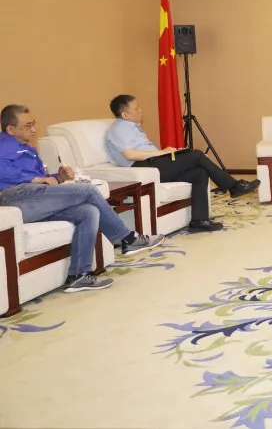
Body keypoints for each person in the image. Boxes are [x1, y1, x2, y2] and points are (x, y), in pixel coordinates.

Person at [0, 104, 165, 293]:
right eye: (28, 126)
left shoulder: (27, 149)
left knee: (88, 212)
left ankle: (78, 275)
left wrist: (58, 176)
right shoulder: (3, 144)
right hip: (16, 198)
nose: (33, 129)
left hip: (36, 199)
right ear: (10, 129)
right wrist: (37, 179)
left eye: (34, 124)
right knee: (88, 191)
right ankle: (127, 239)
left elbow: (41, 178)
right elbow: (4, 172)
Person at [105, 95, 259, 232]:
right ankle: (234, 186)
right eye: (136, 108)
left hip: (153, 165)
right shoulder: (119, 128)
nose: (140, 111)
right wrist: (161, 153)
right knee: (197, 155)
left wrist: (166, 154)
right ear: (125, 115)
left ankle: (199, 221)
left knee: (199, 172)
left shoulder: (130, 127)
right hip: (143, 168)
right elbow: (130, 154)